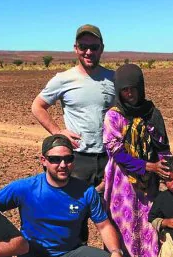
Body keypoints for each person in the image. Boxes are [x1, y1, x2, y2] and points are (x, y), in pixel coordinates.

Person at [0, 135, 125, 257]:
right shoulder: (25, 188)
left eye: (68, 159)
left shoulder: (85, 191)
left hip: (70, 254)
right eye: (55, 159)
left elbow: (104, 226)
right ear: (44, 161)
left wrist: (116, 253)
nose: (62, 165)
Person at [103, 64, 171, 257]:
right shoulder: (113, 115)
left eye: (133, 89)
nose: (129, 94)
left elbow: (163, 146)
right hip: (122, 183)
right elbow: (116, 152)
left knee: (150, 229)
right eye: (124, 90)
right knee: (122, 229)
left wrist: (166, 170)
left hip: (148, 185)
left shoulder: (152, 113)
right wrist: (147, 166)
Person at [31, 24, 114, 190]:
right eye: (83, 47)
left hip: (109, 157)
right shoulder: (63, 79)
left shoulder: (113, 78)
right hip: (77, 158)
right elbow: (37, 106)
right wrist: (58, 133)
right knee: (75, 213)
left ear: (102, 48)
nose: (88, 52)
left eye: (94, 47)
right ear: (76, 48)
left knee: (109, 213)